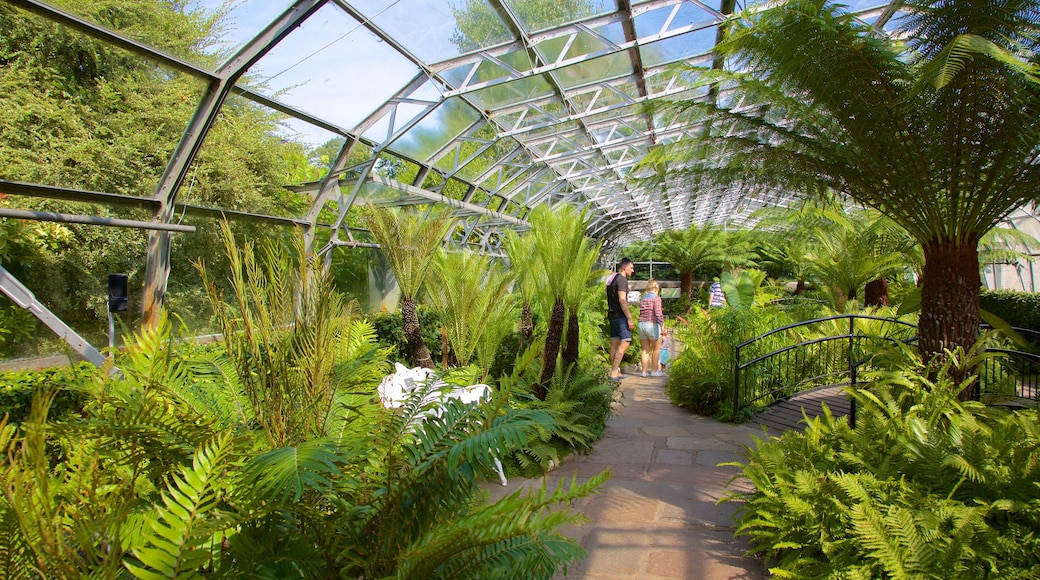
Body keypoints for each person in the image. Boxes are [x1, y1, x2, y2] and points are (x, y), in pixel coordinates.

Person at [606, 258, 635, 381]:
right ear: (625, 267)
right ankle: (614, 372)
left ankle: (616, 371)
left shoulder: (612, 279)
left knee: (614, 344)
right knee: (625, 343)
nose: (632, 271)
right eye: (631, 268)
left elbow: (613, 293)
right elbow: (622, 300)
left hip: (612, 315)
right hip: (621, 317)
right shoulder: (622, 280)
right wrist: (629, 318)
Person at [637, 280, 666, 377]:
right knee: (656, 349)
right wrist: (662, 326)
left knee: (645, 349)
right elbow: (658, 313)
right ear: (656, 288)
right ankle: (654, 371)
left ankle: (644, 372)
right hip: (652, 325)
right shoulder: (656, 298)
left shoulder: (644, 298)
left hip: (641, 325)